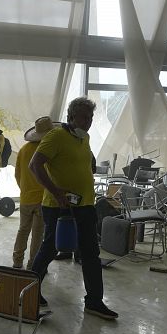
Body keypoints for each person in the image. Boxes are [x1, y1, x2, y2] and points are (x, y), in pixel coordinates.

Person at [29, 97, 118, 320]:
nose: (89, 122)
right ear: (71, 117)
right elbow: (35, 165)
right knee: (50, 249)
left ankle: (94, 302)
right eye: (84, 117)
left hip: (85, 204)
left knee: (90, 252)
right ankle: (28, 291)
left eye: (91, 118)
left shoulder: (84, 138)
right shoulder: (56, 136)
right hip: (59, 206)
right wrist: (56, 191)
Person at [12, 116, 54, 270]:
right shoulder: (47, 149)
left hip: (26, 198)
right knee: (38, 234)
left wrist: (25, 189)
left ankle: (17, 262)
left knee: (23, 230)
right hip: (43, 199)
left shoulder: (23, 150)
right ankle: (33, 265)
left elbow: (17, 174)